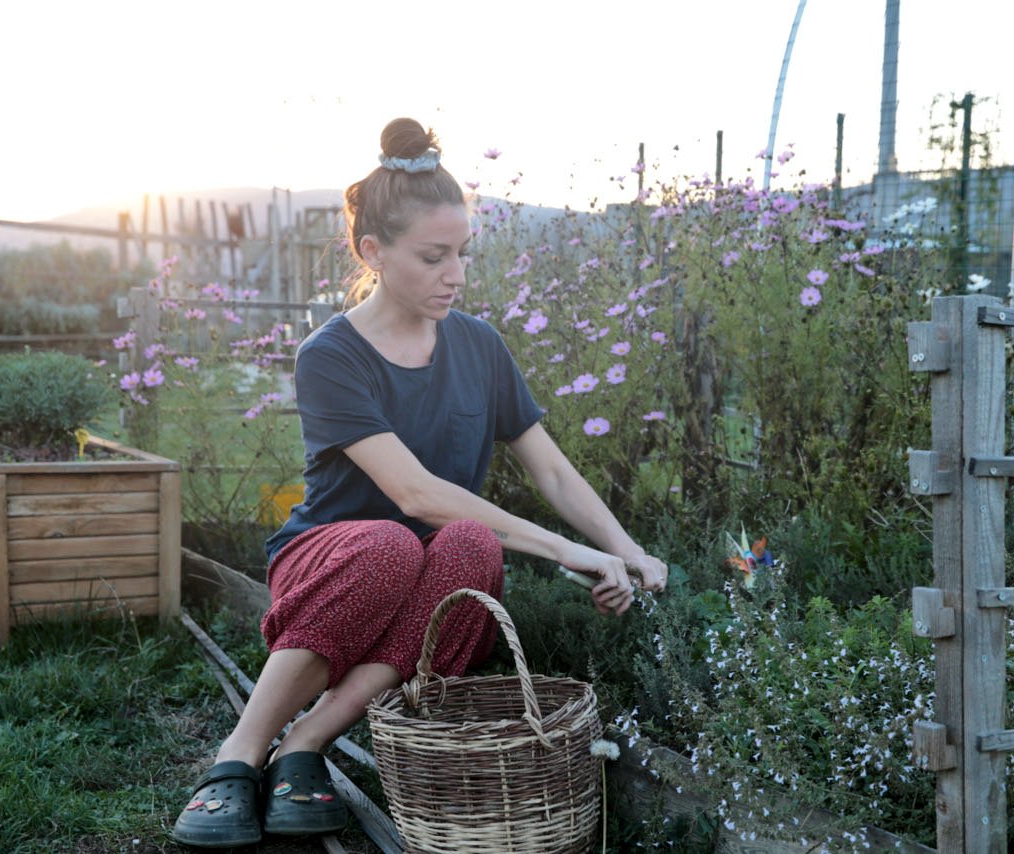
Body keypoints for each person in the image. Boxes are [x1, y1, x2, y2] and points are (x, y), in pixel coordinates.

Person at [172, 117, 669, 848]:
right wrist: (569, 553)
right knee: (390, 545)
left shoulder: (479, 345)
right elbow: (415, 495)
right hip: (331, 561)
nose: (457, 276)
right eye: (434, 257)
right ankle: (239, 755)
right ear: (371, 251)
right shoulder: (331, 355)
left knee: (471, 548)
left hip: (426, 580)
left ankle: (307, 743)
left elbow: (554, 470)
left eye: (463, 254)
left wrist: (625, 552)